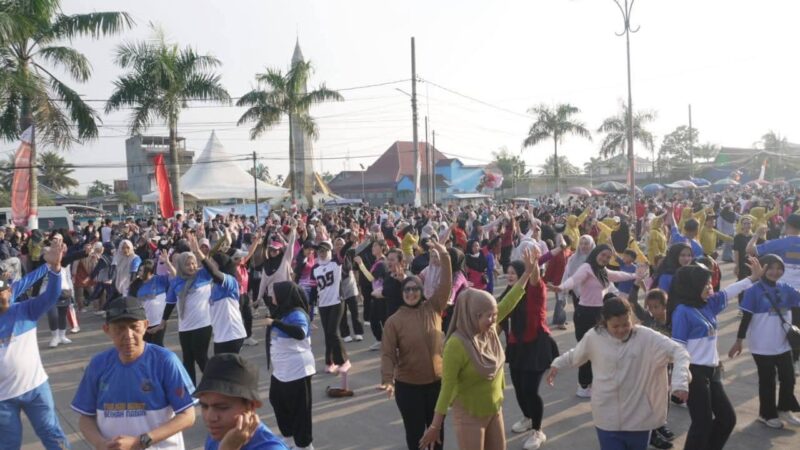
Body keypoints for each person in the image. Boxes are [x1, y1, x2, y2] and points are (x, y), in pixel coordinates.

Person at [419, 249, 538, 450]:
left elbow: (509, 303)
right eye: (488, 316)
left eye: (494, 315)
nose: (494, 319)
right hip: (469, 416)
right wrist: (434, 426)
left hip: (494, 409)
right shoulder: (456, 345)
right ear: (473, 316)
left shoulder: (488, 330)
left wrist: (527, 273)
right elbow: (446, 389)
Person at [548, 297, 691, 450]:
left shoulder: (646, 337)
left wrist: (680, 382)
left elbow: (679, 352)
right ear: (605, 322)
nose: (621, 330)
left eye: (626, 324)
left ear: (631, 318)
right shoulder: (594, 337)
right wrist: (557, 364)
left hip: (639, 419)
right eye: (615, 326)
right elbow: (575, 354)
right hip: (606, 418)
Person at [71, 296, 197, 449]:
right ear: (107, 330)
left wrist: (140, 442)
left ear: (145, 326)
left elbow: (187, 416)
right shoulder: (98, 364)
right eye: (119, 328)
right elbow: (86, 418)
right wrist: (101, 444)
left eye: (134, 327)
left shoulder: (165, 361)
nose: (128, 335)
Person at [669, 257, 763, 450]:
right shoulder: (682, 312)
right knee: (701, 423)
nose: (710, 286)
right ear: (692, 286)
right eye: (704, 284)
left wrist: (752, 278)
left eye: (709, 282)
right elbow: (677, 349)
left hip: (712, 372)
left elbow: (728, 292)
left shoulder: (707, 304)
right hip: (694, 374)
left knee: (727, 419)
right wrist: (679, 383)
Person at [548, 244, 648, 398]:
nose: (605, 259)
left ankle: (592, 383)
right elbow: (573, 280)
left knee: (599, 348)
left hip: (599, 313)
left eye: (608, 257)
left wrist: (635, 275)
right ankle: (583, 386)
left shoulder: (602, 271)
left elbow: (618, 275)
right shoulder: (587, 267)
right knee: (585, 350)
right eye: (603, 255)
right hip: (585, 314)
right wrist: (561, 288)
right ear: (596, 253)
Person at [380, 242, 452, 450]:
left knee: (437, 432)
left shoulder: (434, 307)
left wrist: (444, 254)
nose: (411, 293)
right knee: (415, 436)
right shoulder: (394, 321)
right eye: (407, 290)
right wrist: (387, 379)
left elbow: (446, 283)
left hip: (437, 385)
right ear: (402, 293)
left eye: (415, 289)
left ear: (421, 291)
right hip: (408, 387)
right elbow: (387, 353)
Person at [0, 244, 69, 449]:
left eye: (3, 290)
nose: (1, 296)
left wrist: (55, 269)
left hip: (35, 389)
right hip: (3, 399)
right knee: (8, 444)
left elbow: (51, 296)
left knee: (52, 434)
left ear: (9, 290)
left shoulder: (26, 310)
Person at [728, 254, 800, 428]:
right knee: (767, 380)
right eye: (771, 267)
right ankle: (766, 414)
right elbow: (746, 318)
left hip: (783, 344)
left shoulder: (786, 288)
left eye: (779, 268)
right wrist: (739, 341)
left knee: (789, 378)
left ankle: (784, 409)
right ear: (763, 268)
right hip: (762, 345)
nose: (775, 272)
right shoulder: (753, 291)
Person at [502, 260, 559, 450]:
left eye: (514, 272)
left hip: (536, 346)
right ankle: (527, 417)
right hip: (516, 346)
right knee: (518, 388)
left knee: (530, 390)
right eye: (508, 272)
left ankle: (537, 430)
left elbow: (534, 280)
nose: (510, 275)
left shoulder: (535, 291)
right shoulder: (509, 293)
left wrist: (531, 266)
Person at [194, 354, 290, 450]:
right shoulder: (219, 433)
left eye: (222, 407)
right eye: (204, 406)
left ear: (251, 406)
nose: (210, 417)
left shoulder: (270, 448)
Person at [266, 281, 317, 449]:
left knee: (299, 410)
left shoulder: (297, 314)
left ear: (283, 295)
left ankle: (304, 444)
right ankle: (289, 437)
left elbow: (300, 333)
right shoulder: (282, 311)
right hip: (281, 370)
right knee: (277, 400)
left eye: (274, 293)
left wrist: (275, 323)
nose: (271, 296)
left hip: (297, 370)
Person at [161, 247, 214, 385]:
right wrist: (163, 321)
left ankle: (212, 385)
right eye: (188, 264)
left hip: (203, 324)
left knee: (201, 357)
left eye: (193, 263)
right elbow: (170, 303)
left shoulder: (203, 275)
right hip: (184, 327)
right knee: (187, 359)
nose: (192, 267)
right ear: (181, 266)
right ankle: (191, 389)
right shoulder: (177, 281)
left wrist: (199, 252)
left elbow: (211, 267)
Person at [311, 240, 352, 379]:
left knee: (333, 332)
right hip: (322, 304)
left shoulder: (336, 262)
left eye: (324, 250)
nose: (322, 253)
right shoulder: (315, 268)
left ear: (329, 251)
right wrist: (310, 308)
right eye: (320, 251)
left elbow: (344, 251)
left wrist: (350, 240)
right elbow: (313, 289)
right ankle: (330, 362)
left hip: (336, 301)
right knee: (328, 334)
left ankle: (344, 361)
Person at [129, 256, 174, 347]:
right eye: (139, 270)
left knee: (158, 346)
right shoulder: (135, 285)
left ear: (150, 272)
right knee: (146, 347)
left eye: (142, 271)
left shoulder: (160, 280)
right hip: (144, 323)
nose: (139, 273)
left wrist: (168, 263)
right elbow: (131, 304)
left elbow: (175, 275)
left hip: (159, 322)